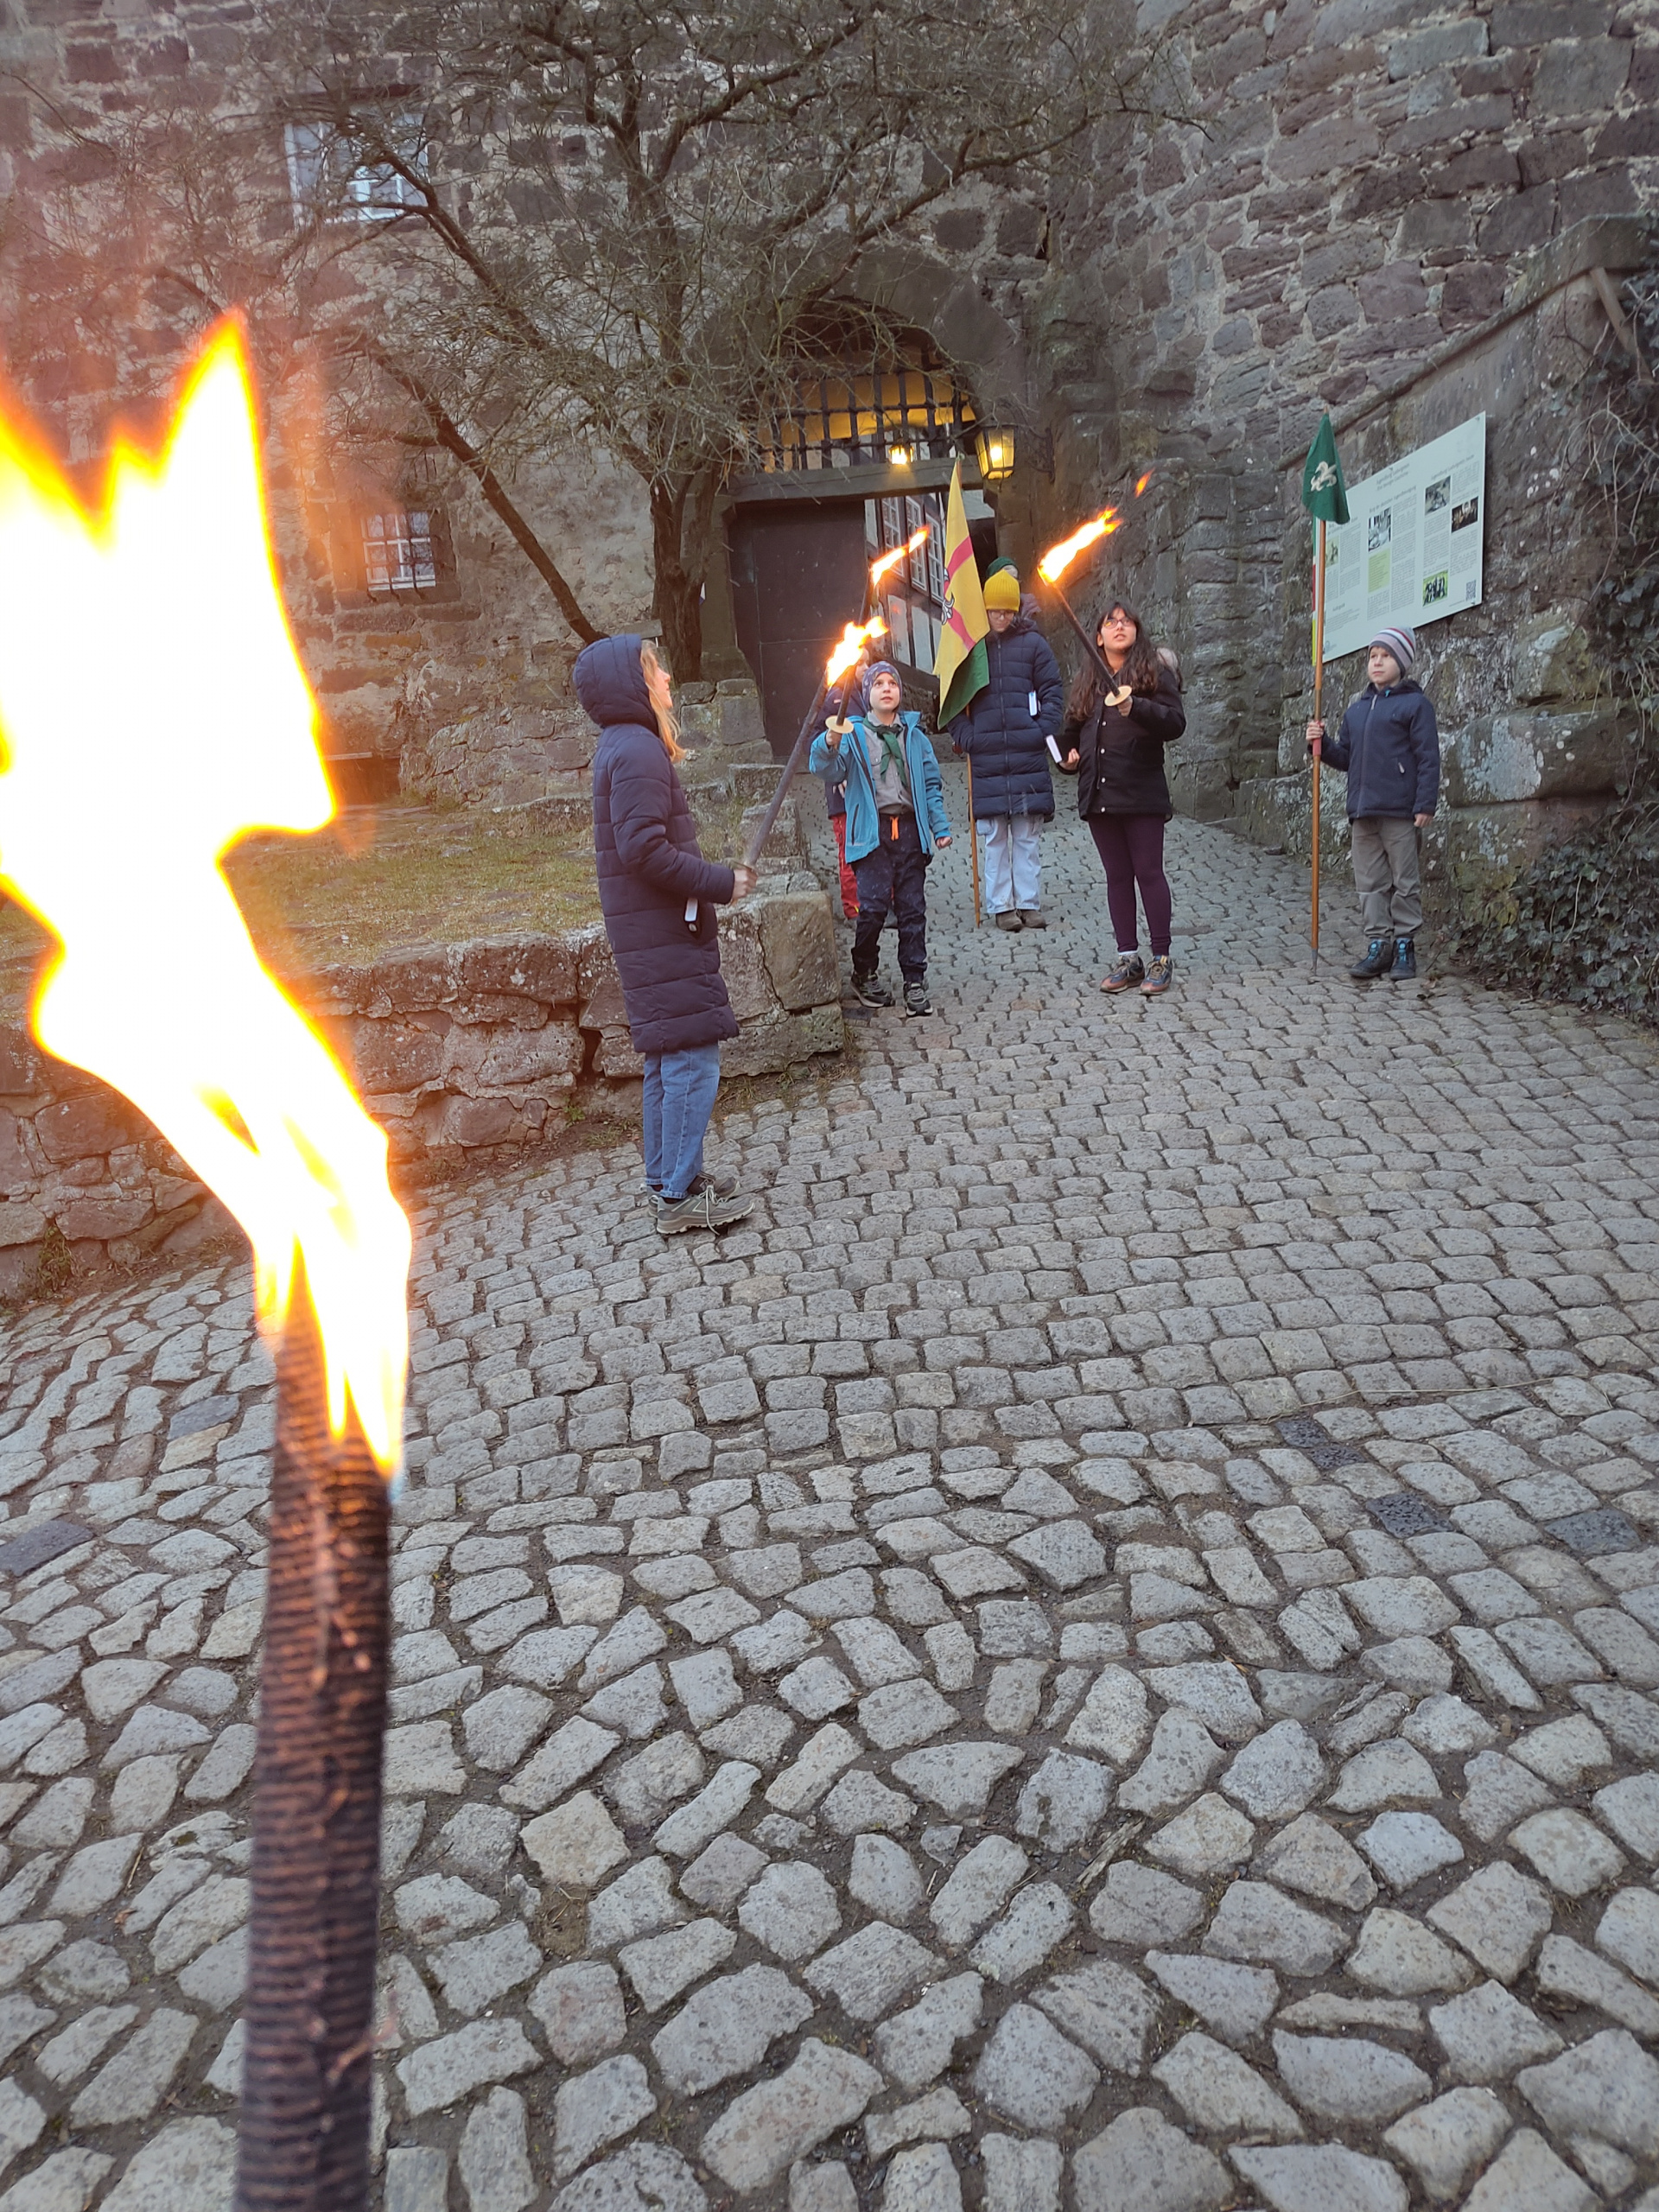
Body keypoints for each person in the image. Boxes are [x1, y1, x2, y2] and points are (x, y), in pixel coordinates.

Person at [575, 632, 756, 1232]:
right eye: (656, 670)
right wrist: (719, 881)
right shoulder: (636, 751)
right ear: (633, 684)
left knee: (667, 1057)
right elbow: (644, 850)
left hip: (654, 930)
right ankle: (678, 1198)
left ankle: (669, 1175)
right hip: (661, 930)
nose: (667, 679)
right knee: (691, 1059)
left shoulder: (624, 746)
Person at [809, 659, 951, 1014]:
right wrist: (829, 741)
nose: (887, 689)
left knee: (912, 910)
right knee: (871, 907)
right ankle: (864, 971)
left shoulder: (914, 737)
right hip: (872, 835)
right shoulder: (854, 735)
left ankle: (914, 980)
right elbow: (826, 768)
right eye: (878, 684)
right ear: (866, 694)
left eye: (892, 683)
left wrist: (940, 827)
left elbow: (931, 785)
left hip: (908, 833)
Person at [1060, 599, 1186, 996]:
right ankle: (1128, 956)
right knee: (1117, 876)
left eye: (1127, 621)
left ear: (1137, 631)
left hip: (1141, 791)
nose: (1119, 626)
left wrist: (1138, 707)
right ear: (1098, 636)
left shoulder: (1154, 674)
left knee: (1148, 873)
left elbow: (1175, 723)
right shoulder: (1088, 682)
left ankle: (1161, 958)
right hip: (1100, 793)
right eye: (1111, 622)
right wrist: (1065, 758)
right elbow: (1069, 731)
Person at [1306, 624, 1440, 982]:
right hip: (1362, 811)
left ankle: (1404, 944)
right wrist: (1321, 744)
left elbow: (1428, 758)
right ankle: (1377, 942)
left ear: (1403, 662)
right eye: (1373, 656)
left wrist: (1425, 803)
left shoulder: (1415, 705)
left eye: (1386, 656)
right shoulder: (1357, 710)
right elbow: (1346, 757)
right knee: (1369, 882)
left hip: (1399, 809)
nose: (1377, 663)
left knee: (1404, 879)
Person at [950, 558, 1064, 930]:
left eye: (1006, 610)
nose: (1000, 616)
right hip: (987, 757)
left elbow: (1052, 690)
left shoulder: (1034, 645)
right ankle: (1002, 906)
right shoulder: (971, 647)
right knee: (995, 836)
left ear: (1016, 610)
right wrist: (968, 737)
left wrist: (1042, 729)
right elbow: (950, 700)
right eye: (993, 610)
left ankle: (1028, 902)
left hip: (1026, 752)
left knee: (1027, 834)